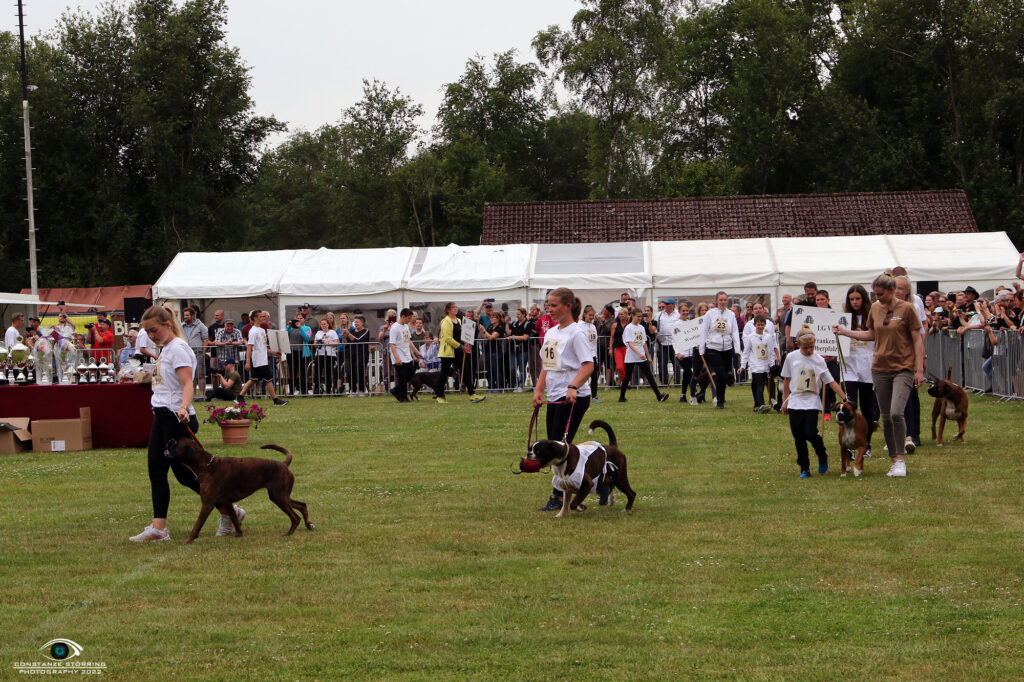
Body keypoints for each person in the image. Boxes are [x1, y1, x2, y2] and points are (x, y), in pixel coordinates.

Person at [129, 306, 245, 542]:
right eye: (147, 332)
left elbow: (188, 384)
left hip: (176, 417)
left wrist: (183, 407)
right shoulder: (166, 349)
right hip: (162, 415)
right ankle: (159, 529)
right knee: (157, 471)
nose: (151, 336)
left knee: (185, 475)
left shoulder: (179, 349)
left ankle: (229, 509)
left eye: (154, 330)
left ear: (167, 325)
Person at [836, 270, 924, 478]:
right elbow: (871, 334)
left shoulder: (908, 308)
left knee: (896, 412)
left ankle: (901, 458)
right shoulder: (875, 309)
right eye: (875, 294)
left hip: (903, 367)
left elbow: (917, 338)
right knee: (885, 416)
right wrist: (845, 331)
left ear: (892, 290)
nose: (877, 298)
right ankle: (894, 460)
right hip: (879, 368)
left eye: (881, 294)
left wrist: (919, 368)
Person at [534, 288, 594, 512]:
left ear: (568, 306)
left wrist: (573, 386)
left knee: (558, 447)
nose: (549, 309)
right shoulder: (551, 332)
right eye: (548, 305)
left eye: (554, 305)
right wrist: (538, 391)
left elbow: (588, 365)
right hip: (555, 395)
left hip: (573, 397)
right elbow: (546, 366)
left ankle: (559, 496)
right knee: (554, 443)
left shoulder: (576, 333)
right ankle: (588, 484)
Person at [781, 324, 848, 478]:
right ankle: (804, 467)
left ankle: (822, 454)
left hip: (811, 400)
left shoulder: (819, 360)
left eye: (811, 347)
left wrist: (844, 397)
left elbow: (831, 381)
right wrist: (785, 401)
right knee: (798, 436)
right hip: (796, 400)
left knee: (810, 432)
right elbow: (787, 380)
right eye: (806, 348)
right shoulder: (791, 358)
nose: (809, 350)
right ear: (798, 345)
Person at [841, 285, 878, 456]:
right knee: (849, 405)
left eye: (858, 298)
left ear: (863, 299)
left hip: (867, 364)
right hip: (849, 365)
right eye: (852, 299)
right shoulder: (845, 318)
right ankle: (849, 443)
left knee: (867, 408)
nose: (855, 302)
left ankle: (866, 442)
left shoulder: (872, 316)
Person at [699, 292, 741, 409]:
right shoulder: (710, 314)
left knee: (725, 375)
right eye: (721, 300)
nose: (723, 302)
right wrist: (702, 348)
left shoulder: (731, 314)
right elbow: (704, 331)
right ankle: (719, 400)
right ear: (717, 300)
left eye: (725, 300)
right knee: (720, 373)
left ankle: (720, 397)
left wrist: (737, 348)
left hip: (727, 348)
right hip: (713, 347)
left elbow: (735, 331)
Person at [238, 310, 288, 406]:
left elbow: (264, 346)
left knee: (253, 379)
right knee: (268, 378)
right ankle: (276, 400)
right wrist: (248, 361)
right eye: (261, 317)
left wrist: (273, 352)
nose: (263, 318)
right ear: (255, 318)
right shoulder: (253, 331)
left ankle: (240, 397)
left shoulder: (262, 330)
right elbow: (249, 347)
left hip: (263, 358)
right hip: (258, 360)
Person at [618, 308, 668, 403]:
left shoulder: (641, 327)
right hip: (631, 356)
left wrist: (648, 356)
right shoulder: (628, 328)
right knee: (627, 377)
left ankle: (659, 396)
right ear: (633, 316)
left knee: (649, 375)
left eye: (641, 316)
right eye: (638, 316)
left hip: (642, 356)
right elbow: (630, 343)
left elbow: (644, 343)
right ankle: (622, 397)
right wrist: (638, 353)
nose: (640, 318)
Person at [740, 314, 779, 412]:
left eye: (762, 325)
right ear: (754, 325)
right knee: (759, 386)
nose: (760, 327)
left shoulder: (768, 337)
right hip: (756, 366)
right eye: (758, 325)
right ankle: (761, 404)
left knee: (769, 384)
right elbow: (746, 352)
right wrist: (743, 366)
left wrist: (772, 365)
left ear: (765, 325)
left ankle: (772, 402)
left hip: (766, 365)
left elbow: (770, 352)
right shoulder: (750, 337)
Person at [389, 308, 420, 402]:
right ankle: (403, 396)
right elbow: (392, 344)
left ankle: (396, 390)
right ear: (403, 317)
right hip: (398, 356)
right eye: (409, 318)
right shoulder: (395, 328)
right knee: (402, 377)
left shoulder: (406, 326)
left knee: (410, 374)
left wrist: (416, 352)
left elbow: (408, 341)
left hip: (407, 356)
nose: (410, 320)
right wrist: (397, 358)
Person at [653, 298, 681, 386]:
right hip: (662, 343)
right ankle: (664, 382)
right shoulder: (659, 315)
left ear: (673, 305)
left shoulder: (678, 314)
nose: (665, 305)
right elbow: (654, 327)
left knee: (676, 364)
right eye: (665, 304)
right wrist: (657, 336)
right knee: (662, 364)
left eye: (668, 304)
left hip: (675, 343)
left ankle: (677, 382)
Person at [181, 307, 208, 396]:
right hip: (186, 354)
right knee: (190, 376)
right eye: (184, 315)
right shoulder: (181, 326)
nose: (185, 317)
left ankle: (202, 394)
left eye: (187, 315)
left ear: (193, 316)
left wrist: (203, 352)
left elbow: (205, 339)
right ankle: (192, 395)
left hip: (198, 353)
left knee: (200, 374)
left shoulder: (201, 326)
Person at [577, 305, 601, 402]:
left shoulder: (593, 326)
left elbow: (594, 342)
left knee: (594, 376)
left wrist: (596, 356)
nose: (591, 317)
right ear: (585, 314)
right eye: (590, 315)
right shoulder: (579, 325)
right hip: (583, 354)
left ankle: (594, 395)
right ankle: (579, 393)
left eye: (593, 315)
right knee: (583, 375)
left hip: (592, 355)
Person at [508, 307, 533, 392]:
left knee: (522, 368)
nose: (517, 316)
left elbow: (525, 337)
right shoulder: (514, 323)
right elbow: (508, 333)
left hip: (523, 350)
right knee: (512, 368)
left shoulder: (528, 324)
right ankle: (515, 384)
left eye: (519, 314)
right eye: (517, 314)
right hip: (513, 349)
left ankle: (521, 385)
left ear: (524, 314)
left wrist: (514, 337)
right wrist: (506, 323)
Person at [314, 318, 340, 396]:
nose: (323, 326)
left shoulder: (332, 332)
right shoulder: (318, 332)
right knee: (317, 372)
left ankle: (328, 390)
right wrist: (318, 343)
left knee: (328, 372)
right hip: (319, 354)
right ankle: (317, 390)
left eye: (325, 324)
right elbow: (315, 343)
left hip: (330, 354)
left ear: (328, 324)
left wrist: (327, 342)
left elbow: (337, 343)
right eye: (322, 324)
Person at [286, 317, 311, 396]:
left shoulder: (307, 328)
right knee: (292, 372)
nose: (299, 319)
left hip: (302, 353)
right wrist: (289, 326)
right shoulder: (291, 328)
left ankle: (304, 392)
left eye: (301, 318)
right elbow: (284, 335)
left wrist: (300, 328)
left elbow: (307, 337)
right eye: (297, 318)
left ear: (304, 319)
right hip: (291, 353)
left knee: (302, 373)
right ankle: (291, 391)